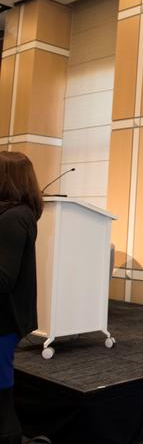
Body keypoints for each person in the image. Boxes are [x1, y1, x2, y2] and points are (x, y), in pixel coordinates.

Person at [0, 152, 42, 444]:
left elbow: (3, 279)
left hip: (2, 320)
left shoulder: (15, 218)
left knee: (1, 395)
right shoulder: (14, 214)